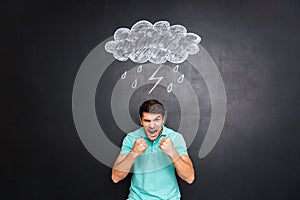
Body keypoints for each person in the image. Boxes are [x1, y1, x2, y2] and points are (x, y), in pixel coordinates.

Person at [112, 99, 195, 200]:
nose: (152, 126)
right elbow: (115, 177)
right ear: (141, 120)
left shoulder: (175, 138)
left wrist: (172, 152)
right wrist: (133, 153)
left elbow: (190, 178)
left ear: (163, 119)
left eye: (156, 120)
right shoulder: (131, 138)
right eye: (147, 121)